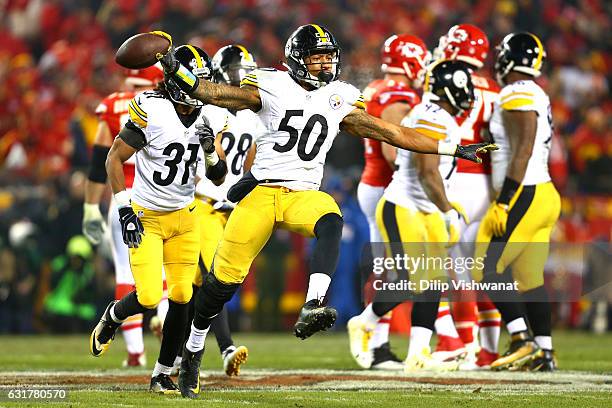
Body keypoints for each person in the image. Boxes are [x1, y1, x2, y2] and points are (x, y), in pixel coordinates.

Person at [154, 25, 495, 398]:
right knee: (219, 287)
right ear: (298, 59)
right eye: (317, 57)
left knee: (332, 218)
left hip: (303, 194)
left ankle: (313, 304)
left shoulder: (339, 96)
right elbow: (213, 93)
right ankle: (192, 352)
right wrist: (172, 65)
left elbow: (390, 133)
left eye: (329, 56)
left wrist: (454, 149)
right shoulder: (270, 85)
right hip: (263, 191)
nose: (325, 64)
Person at [88, 44, 229, 393]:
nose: (201, 88)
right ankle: (114, 315)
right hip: (147, 215)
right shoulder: (152, 109)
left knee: (182, 295)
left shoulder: (211, 114)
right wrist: (124, 210)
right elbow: (112, 159)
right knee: (150, 296)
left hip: (185, 216)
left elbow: (218, 176)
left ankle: (162, 373)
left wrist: (210, 150)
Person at [348, 60, 475, 372]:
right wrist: (448, 210)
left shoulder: (433, 112)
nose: (468, 93)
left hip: (424, 208)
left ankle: (418, 352)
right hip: (404, 207)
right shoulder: (433, 116)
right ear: (449, 88)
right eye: (463, 86)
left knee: (434, 283)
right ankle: (363, 322)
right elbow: (428, 171)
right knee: (408, 281)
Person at [473, 32, 560, 371]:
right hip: (543, 193)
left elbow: (523, 148)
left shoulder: (516, 91)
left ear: (510, 58)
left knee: (486, 266)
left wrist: (505, 200)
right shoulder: (533, 92)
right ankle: (544, 352)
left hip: (524, 193)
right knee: (528, 277)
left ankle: (521, 338)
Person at [183, 44, 263, 377]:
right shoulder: (210, 110)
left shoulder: (255, 114)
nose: (241, 79)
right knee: (215, 278)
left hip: (228, 209)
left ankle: (175, 354)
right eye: (236, 73)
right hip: (202, 204)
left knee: (200, 285)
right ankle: (226, 347)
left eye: (245, 73)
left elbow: (254, 159)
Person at [350, 34, 429, 371]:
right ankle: (377, 344)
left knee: (390, 269)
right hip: (388, 186)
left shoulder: (376, 88)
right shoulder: (399, 96)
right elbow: (391, 149)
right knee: (401, 271)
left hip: (374, 183)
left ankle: (379, 344)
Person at [82, 64, 169, 367]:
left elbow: (98, 163)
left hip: (120, 200)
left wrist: (90, 206)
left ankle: (135, 353)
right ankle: (164, 328)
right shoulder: (167, 104)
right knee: (166, 275)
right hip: (158, 198)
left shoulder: (114, 105)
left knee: (125, 273)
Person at [430, 24, 503, 369]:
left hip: (454, 178)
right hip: (487, 185)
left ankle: (463, 345)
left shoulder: (442, 77)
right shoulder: (495, 89)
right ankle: (488, 349)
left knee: (453, 272)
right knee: (482, 271)